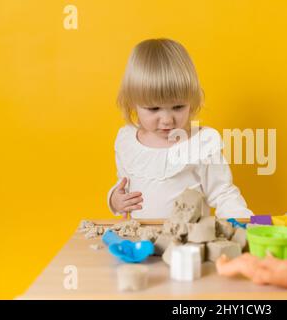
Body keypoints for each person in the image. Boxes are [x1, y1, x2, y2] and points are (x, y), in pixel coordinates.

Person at [107, 38, 253, 219]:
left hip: (189, 239)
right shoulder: (128, 140)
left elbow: (222, 193)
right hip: (142, 241)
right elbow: (123, 184)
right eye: (153, 109)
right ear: (132, 104)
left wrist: (246, 223)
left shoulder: (201, 143)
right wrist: (115, 199)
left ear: (192, 102)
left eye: (178, 107)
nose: (167, 120)